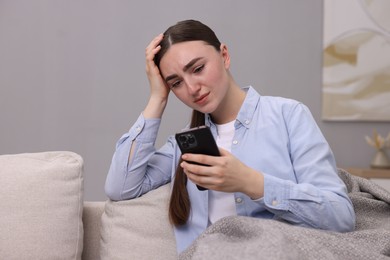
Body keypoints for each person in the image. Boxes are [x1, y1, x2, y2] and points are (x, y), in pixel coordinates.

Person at [105, 19, 356, 253]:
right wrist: (157, 98)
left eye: (198, 68)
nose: (192, 88)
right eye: (176, 83)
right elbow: (121, 187)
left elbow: (340, 216)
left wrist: (251, 182)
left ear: (224, 55)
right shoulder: (184, 145)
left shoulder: (288, 116)